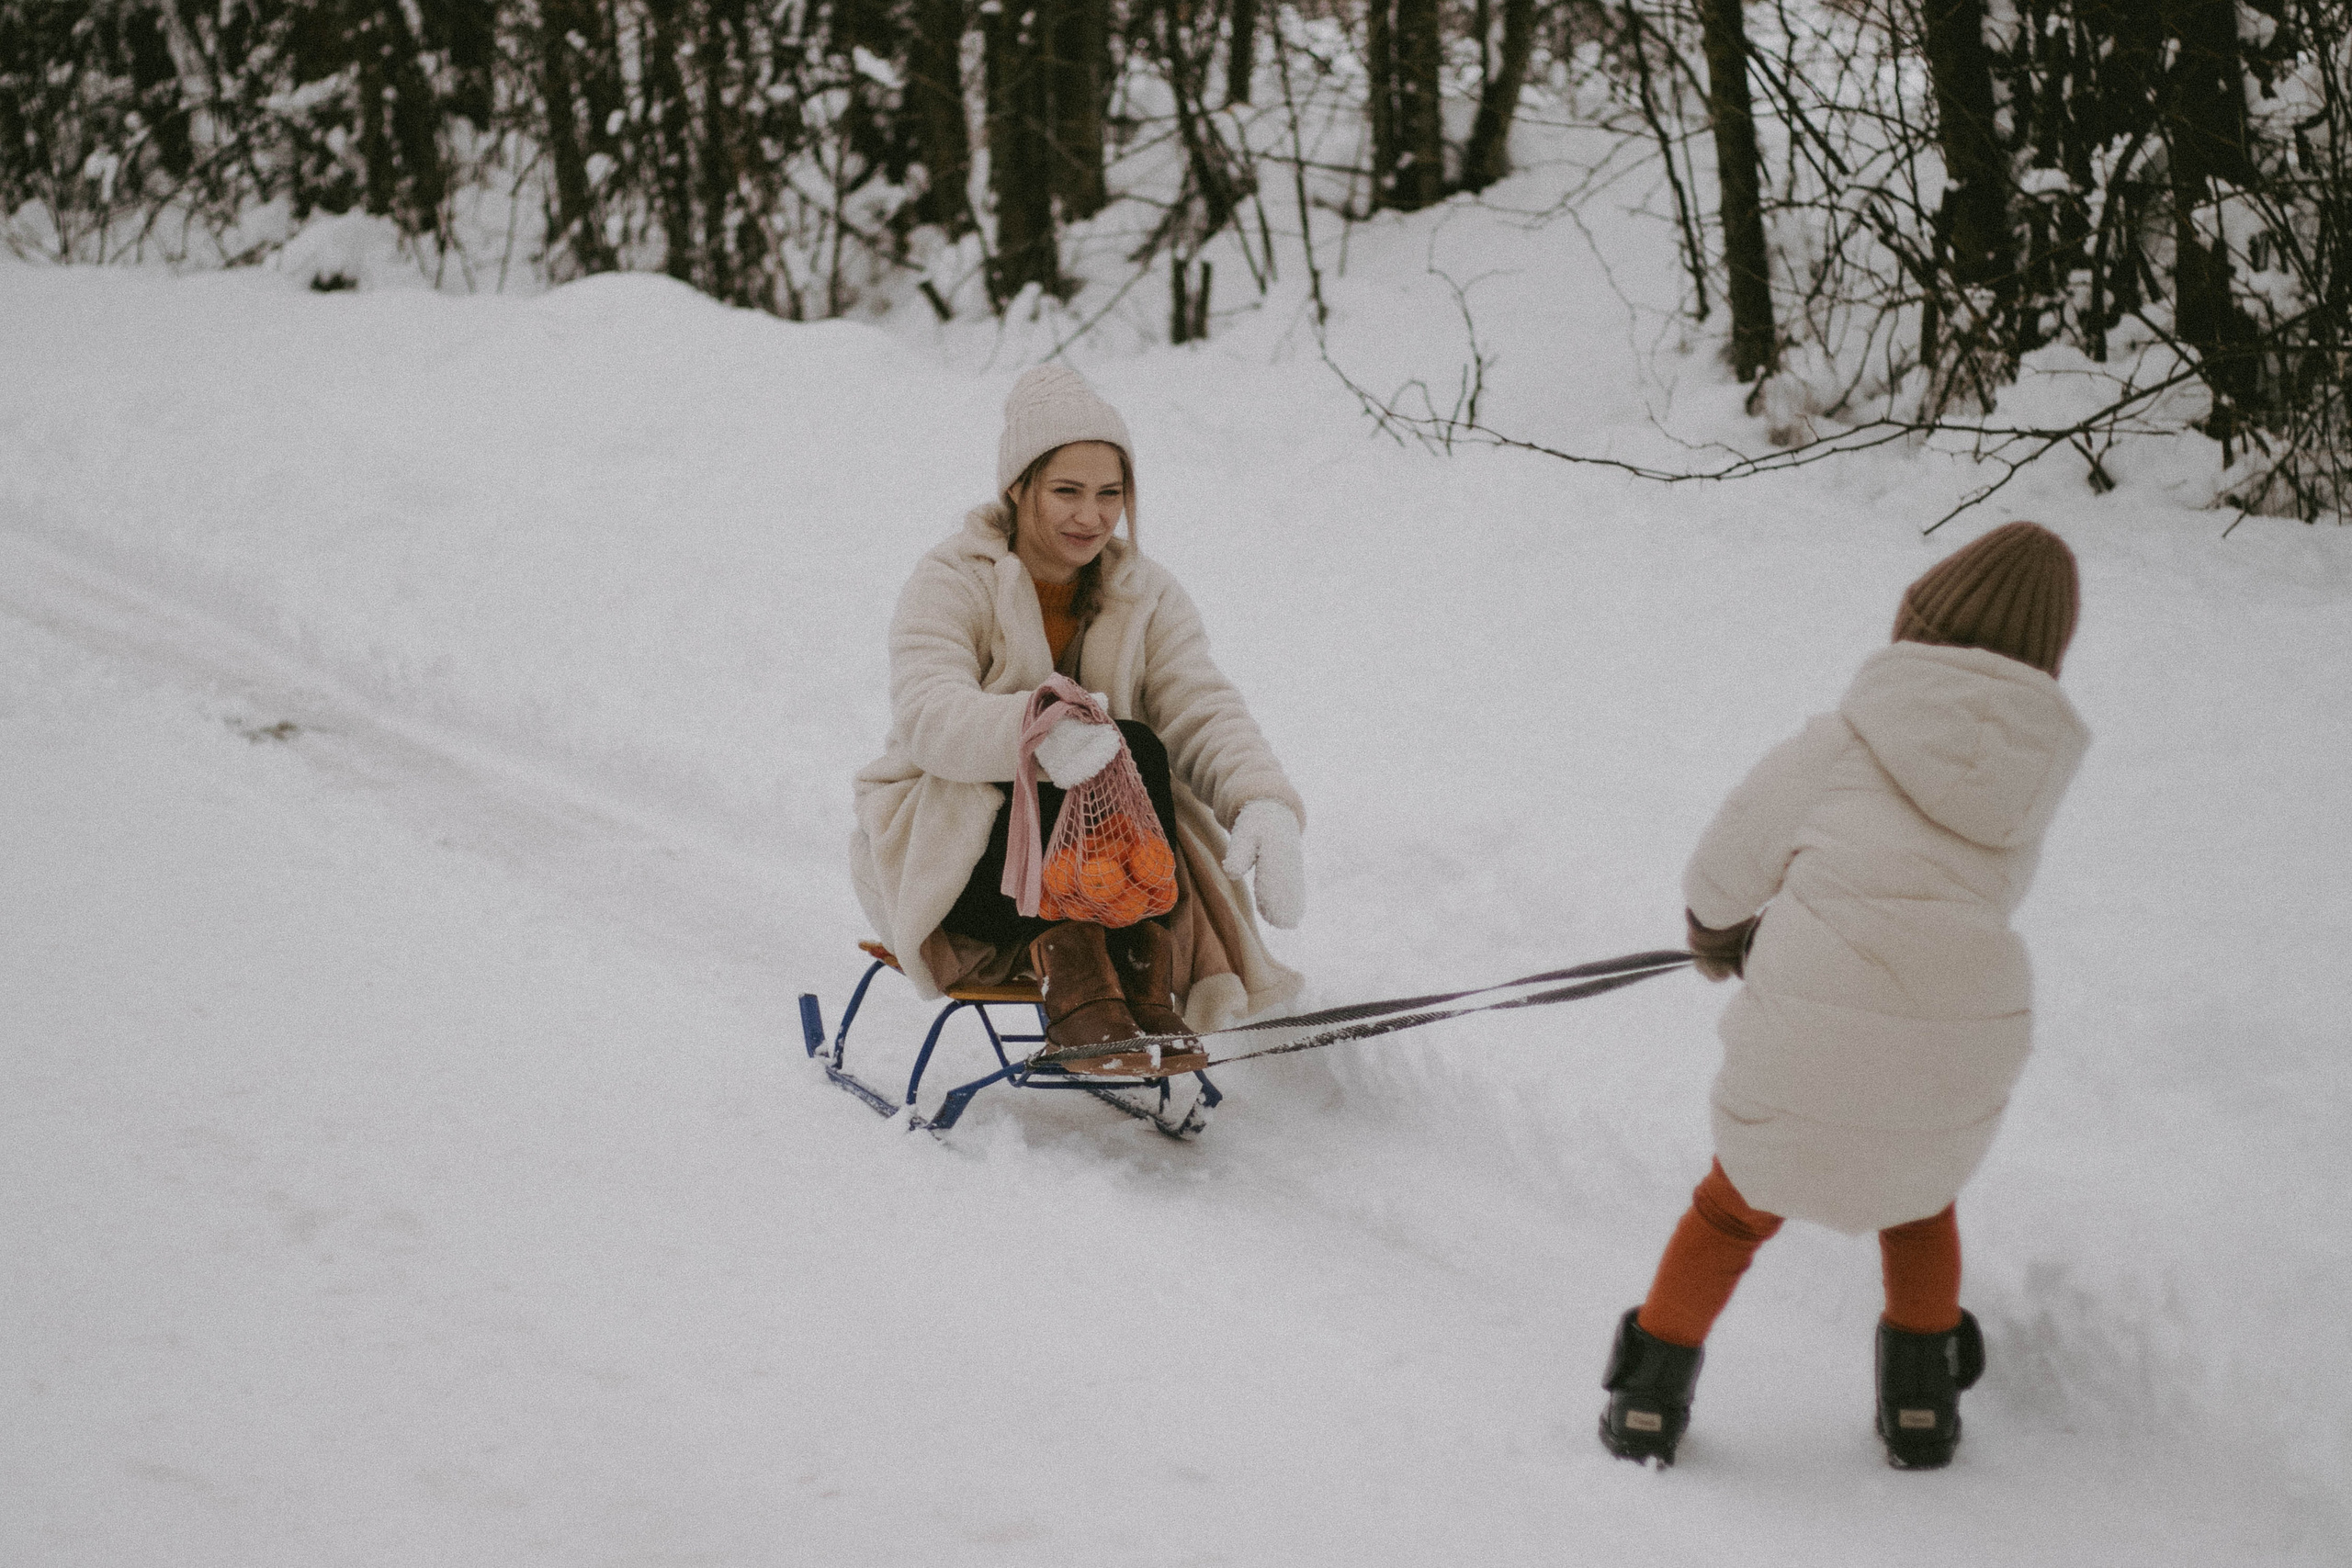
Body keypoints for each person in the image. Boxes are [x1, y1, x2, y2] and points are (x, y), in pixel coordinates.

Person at [1600, 522, 2091, 1470]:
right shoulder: (2025, 787)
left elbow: (1724, 868)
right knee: (1919, 1200)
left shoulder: (1840, 745)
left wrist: (1719, 940)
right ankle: (1921, 1408)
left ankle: (1648, 1402)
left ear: (1916, 627)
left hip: (1815, 1036)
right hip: (1957, 1043)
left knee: (1734, 1207)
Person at [851, 366, 1306, 1077]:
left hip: (1107, 878)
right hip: (967, 866)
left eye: (1109, 494)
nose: (1091, 517)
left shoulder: (1143, 592)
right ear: (1018, 487)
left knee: (1137, 747)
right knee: (1104, 739)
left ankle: (1136, 978)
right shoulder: (954, 578)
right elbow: (927, 712)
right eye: (1067, 491)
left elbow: (1200, 704)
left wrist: (1263, 800)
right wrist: (1037, 734)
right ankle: (1079, 984)